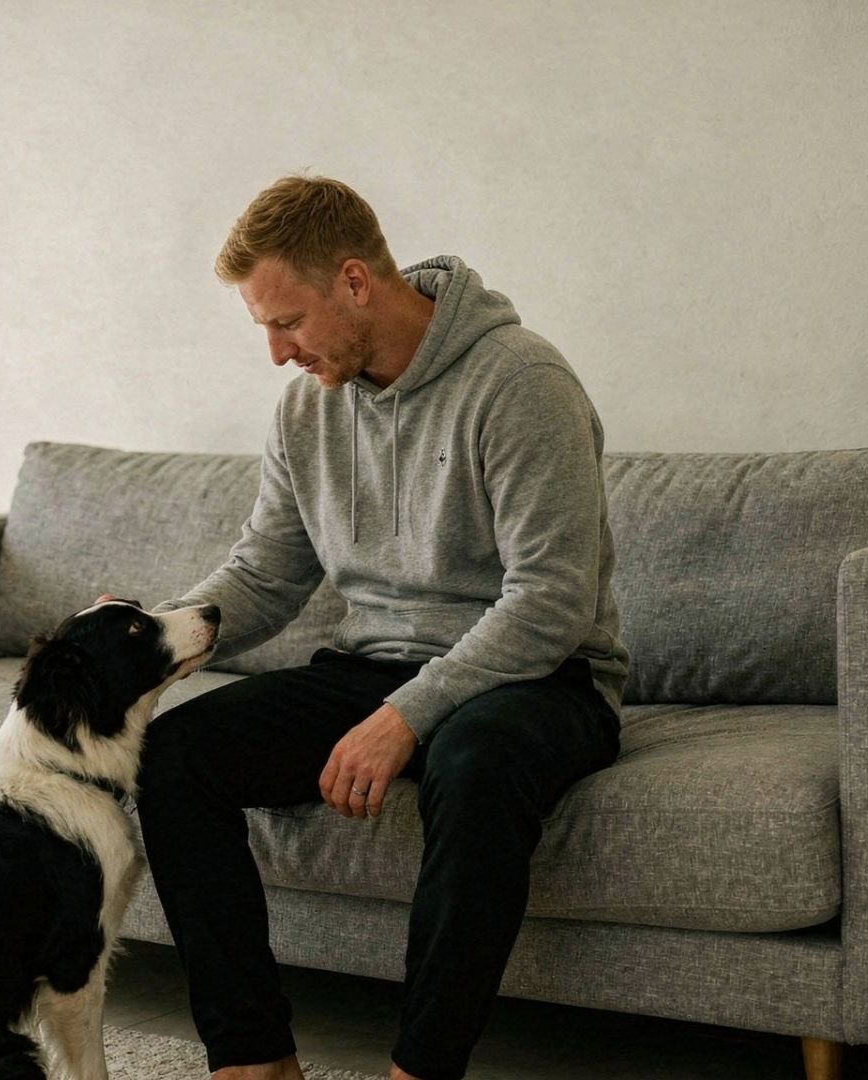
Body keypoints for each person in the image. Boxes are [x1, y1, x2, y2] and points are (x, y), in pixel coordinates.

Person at [129, 174, 631, 1080]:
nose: (279, 353)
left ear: (356, 283)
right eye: (265, 329)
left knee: (472, 762)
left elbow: (553, 599)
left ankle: (420, 1070)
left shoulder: (522, 383)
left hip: (540, 678)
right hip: (372, 666)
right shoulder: (308, 407)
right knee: (174, 754)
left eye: (287, 323)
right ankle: (252, 1059)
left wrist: (408, 717)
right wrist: (155, 637)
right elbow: (267, 571)